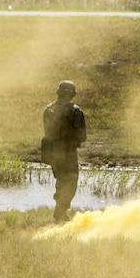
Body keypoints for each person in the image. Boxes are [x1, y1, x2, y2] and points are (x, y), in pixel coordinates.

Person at [42, 80, 87, 222]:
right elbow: (82, 135)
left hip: (53, 151)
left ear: (59, 92)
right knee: (70, 182)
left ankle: (59, 212)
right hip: (68, 151)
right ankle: (61, 213)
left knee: (61, 181)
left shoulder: (49, 109)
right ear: (72, 94)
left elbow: (48, 132)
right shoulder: (75, 110)